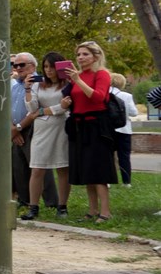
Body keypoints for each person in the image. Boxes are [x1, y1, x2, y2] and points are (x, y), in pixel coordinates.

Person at [65, 41, 115, 221]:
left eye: (85, 54)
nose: (80, 58)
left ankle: (105, 211)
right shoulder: (77, 76)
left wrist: (78, 81)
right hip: (80, 126)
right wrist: (66, 102)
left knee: (99, 169)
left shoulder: (101, 74)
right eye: (78, 55)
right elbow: (75, 98)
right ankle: (92, 210)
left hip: (97, 126)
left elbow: (98, 97)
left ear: (96, 56)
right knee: (86, 170)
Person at [21, 53, 72, 220]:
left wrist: (45, 111)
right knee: (37, 168)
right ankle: (33, 207)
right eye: (46, 67)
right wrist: (27, 89)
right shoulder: (38, 84)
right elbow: (31, 107)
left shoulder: (67, 83)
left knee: (63, 168)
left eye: (52, 67)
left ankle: (62, 206)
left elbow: (66, 105)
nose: (49, 71)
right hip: (42, 129)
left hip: (61, 127)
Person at [12, 52, 60, 213]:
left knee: (39, 165)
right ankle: (24, 200)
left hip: (33, 127)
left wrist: (19, 127)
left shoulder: (40, 83)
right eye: (15, 65)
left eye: (22, 65)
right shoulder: (14, 85)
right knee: (19, 166)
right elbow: (7, 108)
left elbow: (35, 109)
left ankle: (51, 201)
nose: (18, 68)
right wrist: (14, 129)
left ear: (32, 66)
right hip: (15, 130)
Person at [111, 73, 138, 188]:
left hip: (108, 129)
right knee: (124, 156)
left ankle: (107, 181)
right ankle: (126, 182)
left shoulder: (103, 94)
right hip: (124, 129)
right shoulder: (126, 96)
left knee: (107, 156)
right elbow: (134, 113)